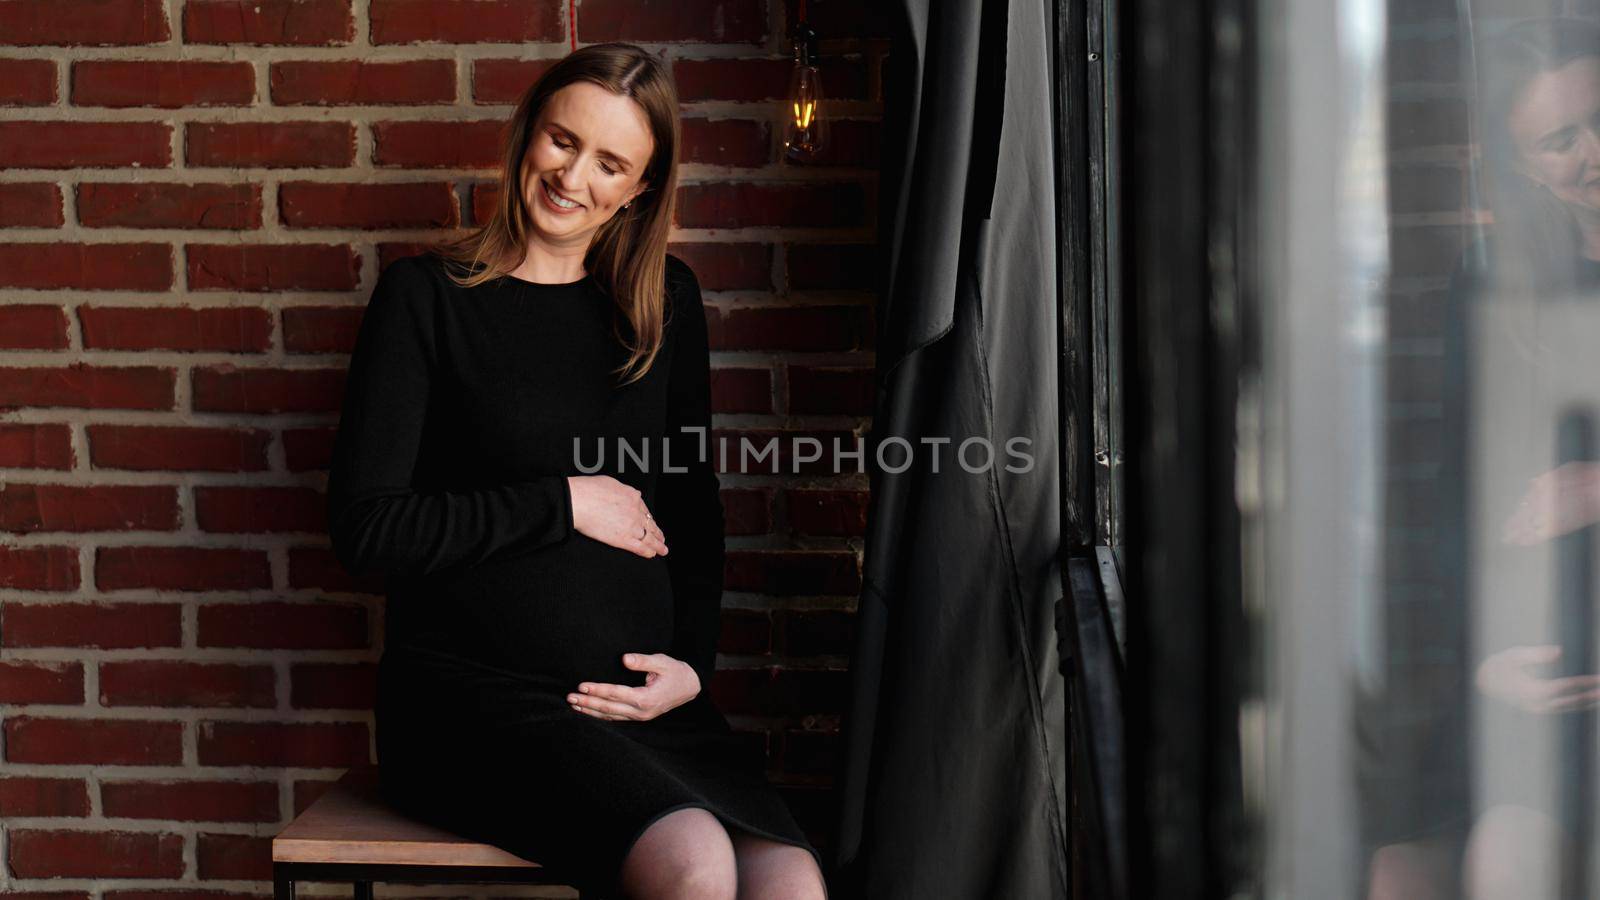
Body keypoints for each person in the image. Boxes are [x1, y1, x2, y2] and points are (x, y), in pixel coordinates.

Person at [325, 43, 828, 900]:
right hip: (469, 705)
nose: (574, 178)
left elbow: (693, 507)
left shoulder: (665, 303)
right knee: (694, 863)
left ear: (640, 187)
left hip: (639, 709)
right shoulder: (427, 299)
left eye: (610, 163)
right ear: (528, 136)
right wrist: (561, 503)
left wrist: (692, 668)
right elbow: (366, 527)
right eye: (563, 142)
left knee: (790, 882)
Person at [1365, 17, 1600, 900]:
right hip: (1530, 675)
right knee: (1398, 873)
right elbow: (1455, 501)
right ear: (1524, 161)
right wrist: (1484, 657)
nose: (1594, 151)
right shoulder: (1495, 278)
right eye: (1559, 139)